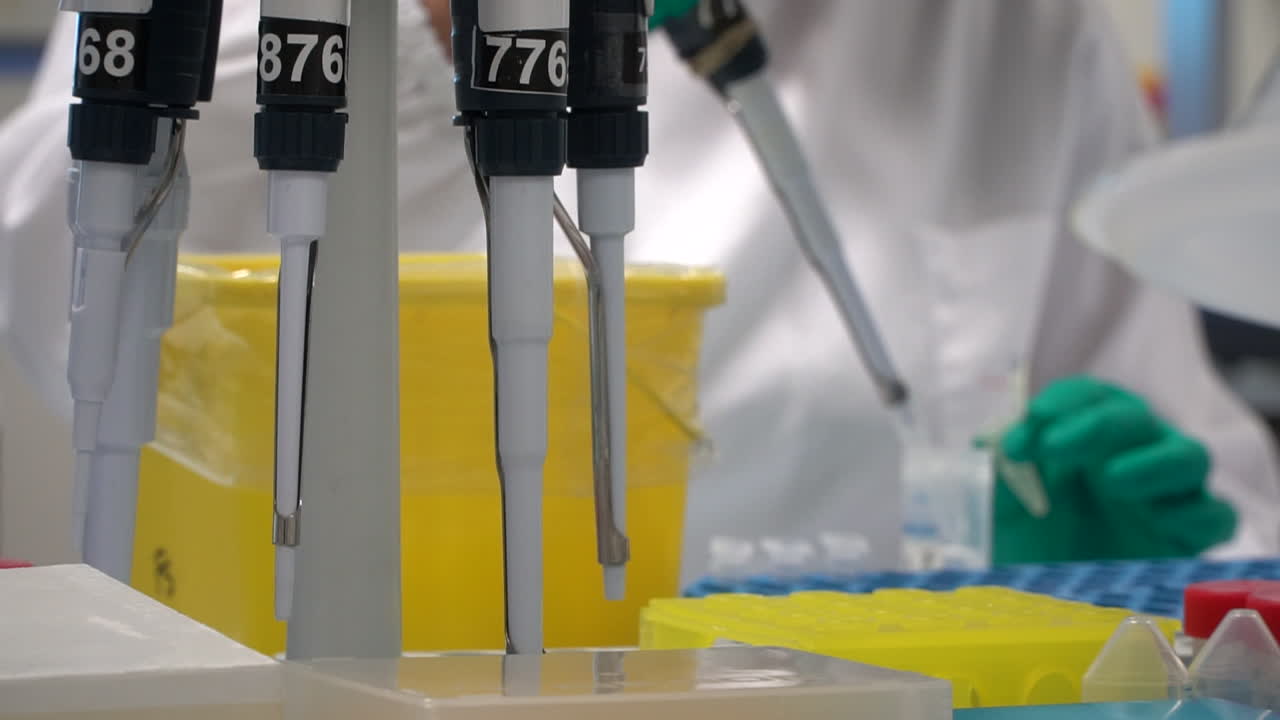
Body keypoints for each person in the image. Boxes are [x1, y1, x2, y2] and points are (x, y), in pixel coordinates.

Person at [1, 0, 1277, 578]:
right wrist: (432, 24)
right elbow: (66, 311)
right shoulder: (230, 22)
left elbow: (1220, 509)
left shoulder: (1003, 33)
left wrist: (1109, 578)